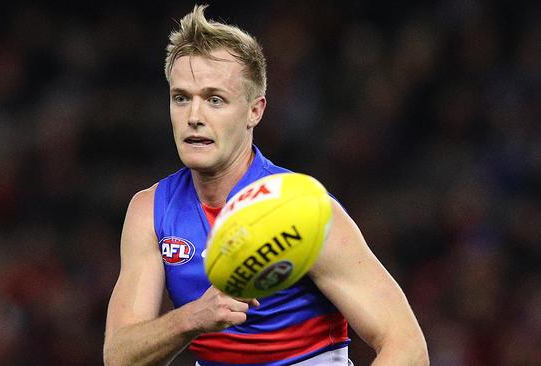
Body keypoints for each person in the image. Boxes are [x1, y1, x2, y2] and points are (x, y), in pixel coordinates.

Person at [103, 5, 428, 366]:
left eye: (215, 99)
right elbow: (120, 357)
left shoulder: (305, 213)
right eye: (181, 98)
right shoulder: (151, 211)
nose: (194, 117)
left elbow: (407, 345)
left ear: (254, 111)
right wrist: (193, 318)